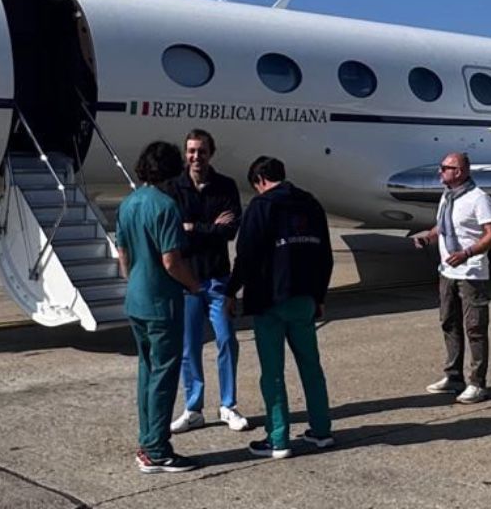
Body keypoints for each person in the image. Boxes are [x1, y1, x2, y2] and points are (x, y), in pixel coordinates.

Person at [226, 156, 334, 459]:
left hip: (270, 300)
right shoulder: (311, 204)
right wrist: (319, 296)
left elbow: (246, 254)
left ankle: (278, 438)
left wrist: (231, 291)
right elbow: (325, 255)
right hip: (305, 298)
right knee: (311, 367)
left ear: (260, 180)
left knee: (273, 372)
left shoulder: (261, 206)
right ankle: (321, 430)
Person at [116, 140, 204, 473]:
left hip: (136, 298)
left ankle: (146, 440)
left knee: (147, 372)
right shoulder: (166, 207)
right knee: (164, 376)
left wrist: (134, 281)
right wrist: (194, 285)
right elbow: (171, 261)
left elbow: (123, 254)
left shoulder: (128, 203)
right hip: (161, 302)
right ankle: (157, 449)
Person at [167, 128, 249, 434]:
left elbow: (229, 230)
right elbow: (174, 230)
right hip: (186, 280)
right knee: (189, 347)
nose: (196, 156)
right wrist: (208, 228)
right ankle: (193, 408)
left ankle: (228, 405)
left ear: (211, 153)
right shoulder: (174, 187)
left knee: (227, 340)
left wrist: (193, 228)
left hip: (217, 279)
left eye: (201, 151)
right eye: (191, 151)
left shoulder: (225, 186)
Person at [410, 151, 491, 403]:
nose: (440, 172)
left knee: (475, 328)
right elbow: (444, 225)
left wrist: (467, 253)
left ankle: (477, 383)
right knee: (449, 323)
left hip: (471, 274)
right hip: (447, 272)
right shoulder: (448, 196)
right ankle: (454, 377)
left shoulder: (479, 199)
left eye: (444, 168)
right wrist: (428, 237)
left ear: (458, 172)